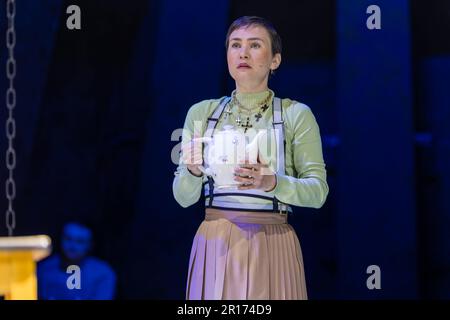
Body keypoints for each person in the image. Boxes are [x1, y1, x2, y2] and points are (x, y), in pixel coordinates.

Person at [172, 16, 329, 300]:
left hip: (272, 242)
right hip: (214, 243)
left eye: (254, 45)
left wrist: (272, 182)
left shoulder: (295, 114)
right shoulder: (202, 113)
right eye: (235, 45)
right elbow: (183, 198)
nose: (242, 53)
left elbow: (318, 193)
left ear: (275, 61)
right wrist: (192, 171)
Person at [37, 221, 116, 300]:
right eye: (68, 239)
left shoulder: (102, 273)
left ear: (90, 245)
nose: (72, 246)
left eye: (80, 241)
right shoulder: (44, 269)